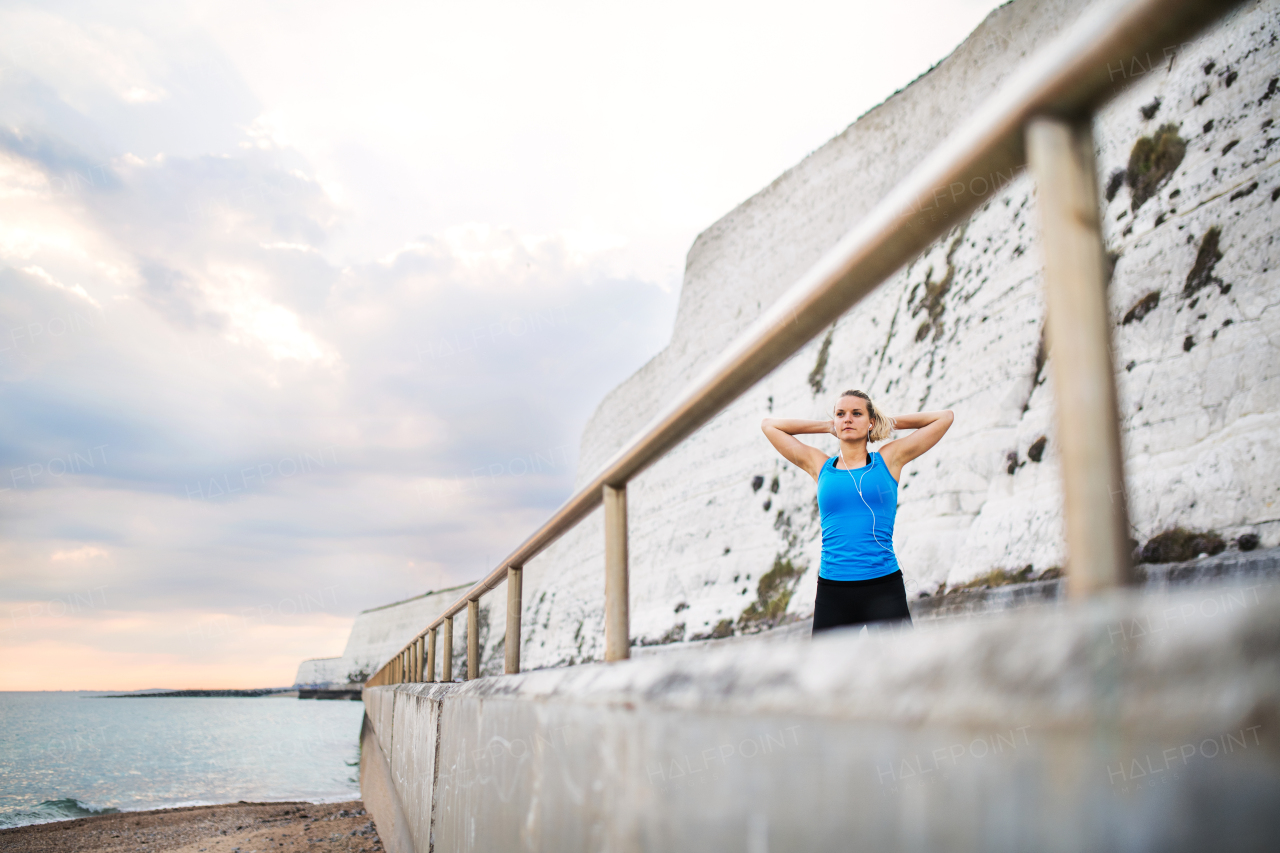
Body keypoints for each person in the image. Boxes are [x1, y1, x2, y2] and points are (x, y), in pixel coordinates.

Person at [761, 390, 953, 634]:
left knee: (901, 666)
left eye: (856, 414)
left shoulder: (889, 460)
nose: (847, 419)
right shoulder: (820, 465)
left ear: (871, 421)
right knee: (828, 670)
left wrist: (882, 422)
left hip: (884, 586)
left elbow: (944, 418)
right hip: (833, 591)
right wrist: (827, 426)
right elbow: (769, 426)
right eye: (840, 414)